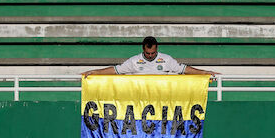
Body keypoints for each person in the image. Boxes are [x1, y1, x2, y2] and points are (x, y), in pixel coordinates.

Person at [81, 36, 220, 79]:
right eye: (148, 53)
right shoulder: (134, 61)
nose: (150, 56)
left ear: (156, 49)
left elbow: (184, 69)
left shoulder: (166, 59)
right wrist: (95, 72)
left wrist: (204, 72)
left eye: (153, 53)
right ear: (143, 49)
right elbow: (115, 70)